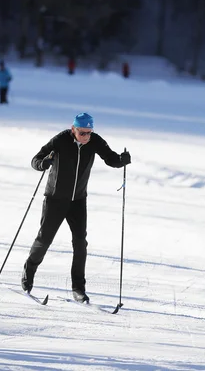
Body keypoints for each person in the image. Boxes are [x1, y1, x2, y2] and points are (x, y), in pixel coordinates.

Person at [21, 112, 131, 302]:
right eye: (82, 133)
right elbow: (35, 159)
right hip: (55, 199)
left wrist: (122, 161)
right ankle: (29, 272)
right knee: (44, 239)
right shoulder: (60, 140)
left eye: (89, 133)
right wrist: (43, 163)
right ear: (73, 129)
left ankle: (78, 288)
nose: (86, 137)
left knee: (80, 244)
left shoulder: (95, 141)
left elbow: (110, 158)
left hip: (78, 201)